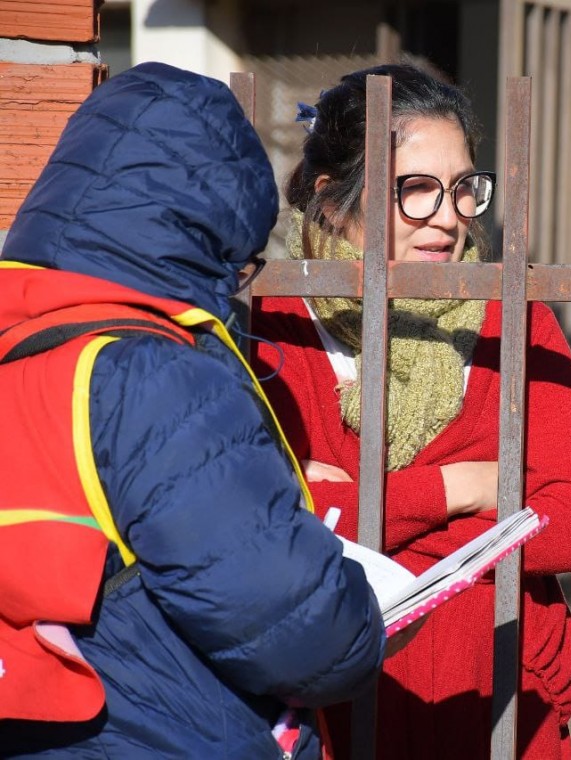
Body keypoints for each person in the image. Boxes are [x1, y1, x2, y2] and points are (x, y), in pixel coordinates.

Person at [0, 63, 385, 759]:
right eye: (239, 263)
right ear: (203, 238)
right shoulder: (152, 376)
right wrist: (364, 619)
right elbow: (308, 636)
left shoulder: (20, 346)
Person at [250, 63, 571, 759]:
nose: (448, 216)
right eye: (415, 190)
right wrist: (466, 488)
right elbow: (272, 533)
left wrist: (364, 522)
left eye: (463, 188)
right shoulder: (276, 328)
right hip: (336, 712)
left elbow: (569, 524)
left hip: (501, 708)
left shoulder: (512, 318)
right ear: (332, 201)